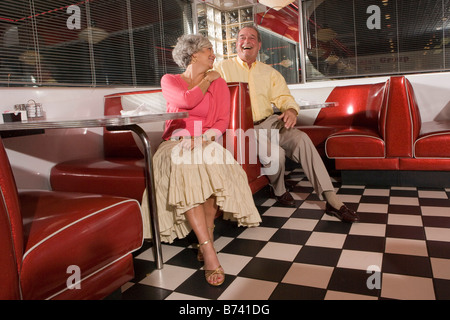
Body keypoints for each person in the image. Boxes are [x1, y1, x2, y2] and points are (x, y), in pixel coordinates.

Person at [214, 25, 359, 223]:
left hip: (271, 121)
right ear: (236, 43)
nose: (246, 41)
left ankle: (331, 200)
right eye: (242, 37)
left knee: (301, 138)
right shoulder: (221, 69)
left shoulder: (270, 72)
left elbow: (284, 97)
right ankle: (279, 190)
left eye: (251, 38)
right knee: (277, 154)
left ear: (259, 45)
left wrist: (290, 110)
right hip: (245, 128)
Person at [152, 34, 261, 286]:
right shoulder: (170, 80)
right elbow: (185, 101)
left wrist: (203, 139)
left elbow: (222, 120)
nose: (214, 54)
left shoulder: (218, 82)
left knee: (212, 166)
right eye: (209, 49)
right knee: (187, 166)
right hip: (175, 143)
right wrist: (205, 81)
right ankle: (209, 251)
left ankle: (207, 237)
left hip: (206, 141)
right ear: (194, 54)